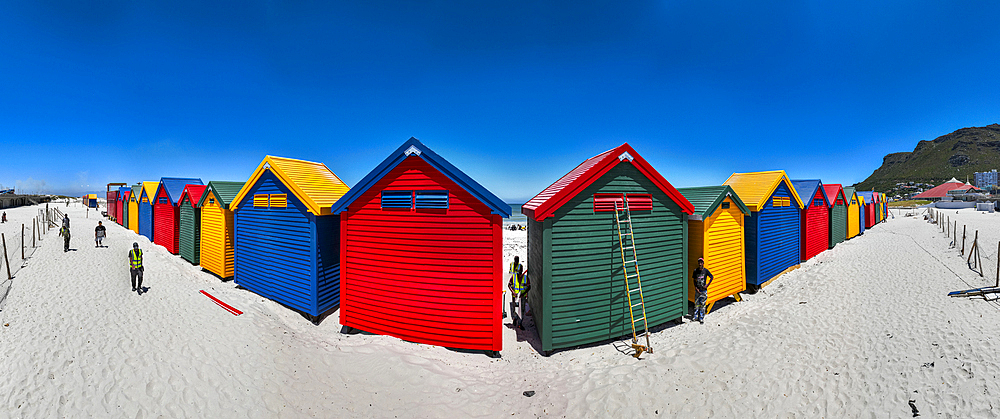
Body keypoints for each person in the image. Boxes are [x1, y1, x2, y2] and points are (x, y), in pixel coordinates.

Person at [507, 256, 529, 330]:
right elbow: (509, 285)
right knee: (515, 308)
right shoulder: (513, 277)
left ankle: (520, 324)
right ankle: (515, 319)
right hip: (515, 296)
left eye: (520, 272)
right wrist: (513, 292)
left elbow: (529, 287)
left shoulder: (525, 278)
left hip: (522, 297)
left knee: (521, 310)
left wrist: (523, 293)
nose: (519, 274)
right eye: (518, 272)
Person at [692, 258, 714, 324]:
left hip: (704, 290)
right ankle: (695, 317)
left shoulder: (705, 271)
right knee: (696, 304)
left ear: (703, 263)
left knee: (703, 305)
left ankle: (701, 318)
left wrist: (707, 285)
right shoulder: (695, 271)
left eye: (701, 262)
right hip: (698, 290)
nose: (700, 264)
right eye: (699, 262)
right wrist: (696, 288)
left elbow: (711, 277)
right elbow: (694, 280)